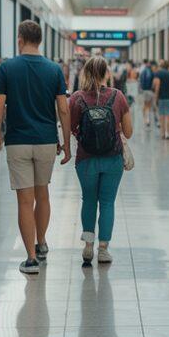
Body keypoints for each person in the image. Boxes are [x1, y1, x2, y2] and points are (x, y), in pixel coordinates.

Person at [0, 21, 71, 274]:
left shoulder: (7, 68)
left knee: (24, 201)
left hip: (18, 141)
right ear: (40, 41)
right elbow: (63, 109)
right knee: (43, 194)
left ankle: (30, 259)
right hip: (46, 140)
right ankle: (42, 242)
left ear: (20, 39)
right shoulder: (54, 69)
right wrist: (67, 143)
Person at [68, 56, 132, 265]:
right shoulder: (118, 96)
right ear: (106, 73)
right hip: (113, 158)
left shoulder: (77, 98)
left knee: (88, 200)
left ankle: (88, 246)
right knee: (107, 202)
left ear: (85, 73)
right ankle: (103, 249)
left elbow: (70, 127)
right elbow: (129, 132)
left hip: (86, 159)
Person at [152, 60, 169, 140]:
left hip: (162, 97)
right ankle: (168, 133)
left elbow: (157, 86)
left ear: (161, 66)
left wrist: (156, 97)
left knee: (162, 116)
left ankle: (163, 133)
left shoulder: (158, 73)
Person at [139, 60, 156, 128]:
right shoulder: (151, 71)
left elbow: (141, 80)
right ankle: (147, 119)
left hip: (144, 90)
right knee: (148, 105)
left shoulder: (143, 71)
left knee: (145, 104)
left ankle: (145, 119)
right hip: (149, 90)